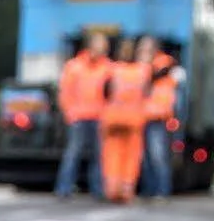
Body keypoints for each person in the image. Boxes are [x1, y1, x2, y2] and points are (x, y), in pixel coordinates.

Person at [55, 30, 112, 200]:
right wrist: (69, 113)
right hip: (78, 117)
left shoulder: (108, 67)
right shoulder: (74, 66)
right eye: (101, 43)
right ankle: (64, 188)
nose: (104, 47)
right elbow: (65, 92)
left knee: (99, 155)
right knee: (73, 153)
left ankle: (98, 189)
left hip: (100, 117)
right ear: (91, 45)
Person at [100, 39, 150, 203]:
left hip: (113, 119)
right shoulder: (143, 71)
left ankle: (112, 189)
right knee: (131, 157)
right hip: (133, 120)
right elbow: (147, 93)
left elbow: (104, 93)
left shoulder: (113, 70)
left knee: (112, 154)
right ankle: (126, 190)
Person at [139, 36, 184, 202]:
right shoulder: (139, 65)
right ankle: (148, 189)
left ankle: (162, 189)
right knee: (145, 158)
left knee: (158, 156)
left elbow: (160, 77)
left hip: (158, 117)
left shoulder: (164, 63)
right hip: (141, 117)